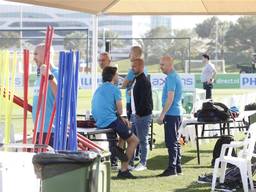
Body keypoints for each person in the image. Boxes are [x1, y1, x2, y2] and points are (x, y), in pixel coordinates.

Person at [92, 66, 139, 179]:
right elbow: (120, 110)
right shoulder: (115, 89)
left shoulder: (98, 89)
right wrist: (120, 116)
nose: (118, 76)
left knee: (124, 125)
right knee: (134, 141)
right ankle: (124, 169)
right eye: (117, 74)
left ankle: (118, 150)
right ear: (113, 77)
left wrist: (120, 117)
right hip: (109, 121)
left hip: (99, 121)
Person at [157, 55, 183, 177]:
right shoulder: (173, 76)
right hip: (176, 113)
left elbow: (170, 98)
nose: (160, 67)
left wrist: (162, 114)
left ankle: (172, 168)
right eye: (160, 64)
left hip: (172, 114)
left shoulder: (172, 77)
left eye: (163, 64)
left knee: (171, 142)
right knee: (175, 141)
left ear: (170, 65)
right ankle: (177, 166)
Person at [32, 44, 58, 146]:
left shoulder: (57, 73)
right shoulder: (39, 76)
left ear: (46, 55)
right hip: (39, 129)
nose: (33, 58)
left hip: (51, 130)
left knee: (51, 162)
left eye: (36, 54)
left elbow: (62, 97)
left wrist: (49, 76)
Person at [130, 58, 153, 171]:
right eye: (132, 66)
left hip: (142, 116)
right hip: (135, 115)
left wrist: (138, 113)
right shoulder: (136, 79)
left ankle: (143, 163)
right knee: (132, 139)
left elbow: (145, 101)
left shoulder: (143, 81)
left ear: (141, 67)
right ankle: (130, 163)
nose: (132, 68)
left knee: (142, 140)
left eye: (134, 66)